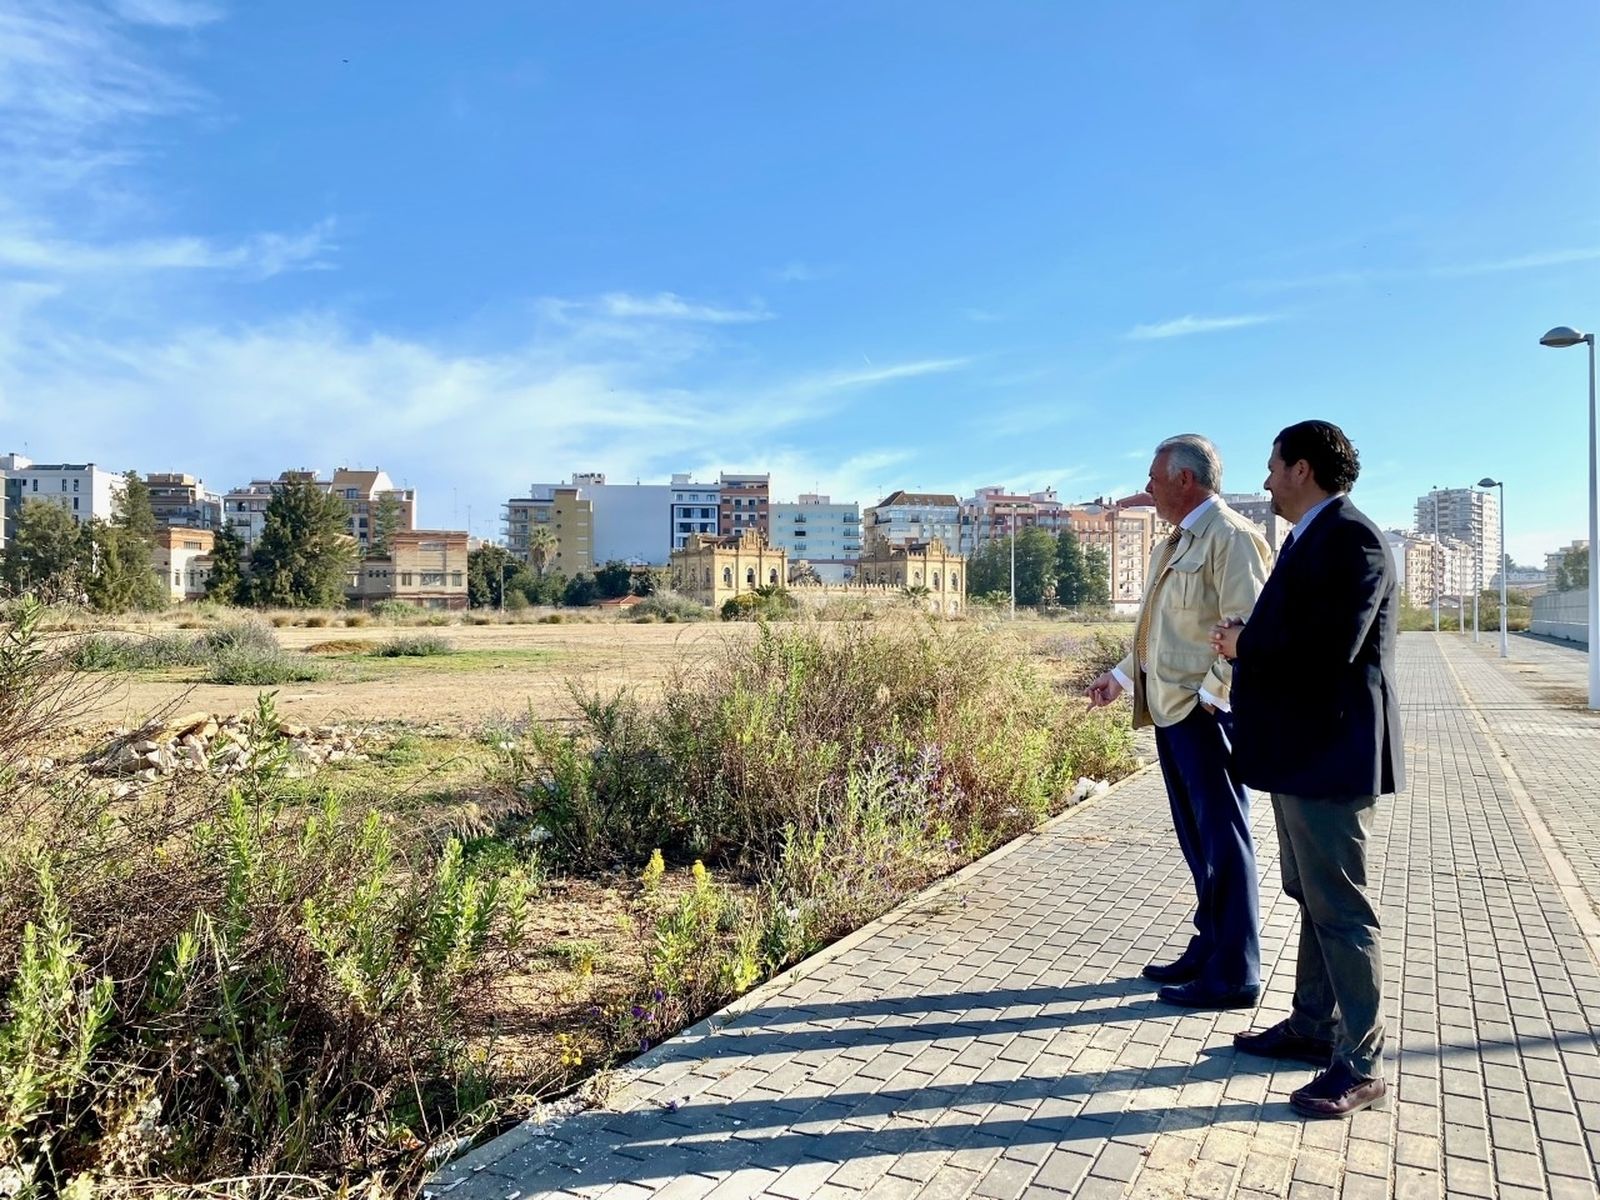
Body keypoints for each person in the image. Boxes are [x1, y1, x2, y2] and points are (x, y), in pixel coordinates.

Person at [1211, 419, 1403, 1120]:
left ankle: (1360, 1060)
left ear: (1304, 469)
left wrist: (1244, 643)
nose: (1265, 482)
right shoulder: (1311, 537)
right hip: (1302, 754)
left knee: (1343, 908)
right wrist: (1248, 642)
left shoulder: (1353, 539)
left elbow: (1332, 648)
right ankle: (1312, 1025)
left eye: (1272, 467)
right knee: (1310, 894)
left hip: (1332, 755)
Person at [1087, 434, 1270, 1009]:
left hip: (1201, 713)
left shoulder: (1232, 538)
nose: (1146, 487)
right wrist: (1120, 676)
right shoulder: (1176, 542)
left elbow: (1252, 628)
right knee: (1198, 839)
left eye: (1153, 477)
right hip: (1172, 710)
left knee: (1224, 837)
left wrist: (1214, 700)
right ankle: (1210, 944)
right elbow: (1162, 627)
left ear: (1185, 480)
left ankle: (1236, 970)